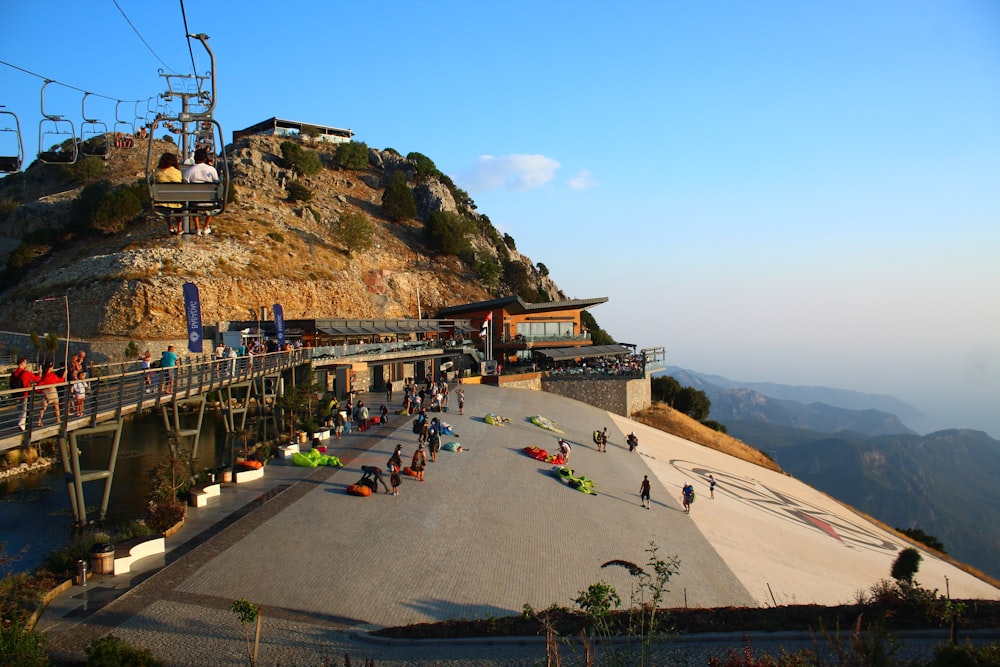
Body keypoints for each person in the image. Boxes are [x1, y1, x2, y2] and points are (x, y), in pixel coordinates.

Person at [183, 147, 219, 236]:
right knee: (212, 201)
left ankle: (197, 227)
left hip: (195, 202)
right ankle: (206, 226)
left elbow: (184, 184)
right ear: (205, 158)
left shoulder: (189, 171)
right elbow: (217, 183)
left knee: (193, 206)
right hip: (209, 201)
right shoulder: (212, 170)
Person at [154, 152, 183, 233]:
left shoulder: (157, 172)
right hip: (176, 202)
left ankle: (170, 225)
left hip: (161, 201)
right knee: (178, 207)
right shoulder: (177, 172)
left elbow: (151, 181)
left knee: (166, 207)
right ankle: (179, 227)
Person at [10, 357, 38, 431]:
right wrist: (40, 374)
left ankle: (20, 422)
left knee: (19, 409)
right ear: (22, 363)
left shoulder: (13, 374)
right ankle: (22, 424)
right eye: (25, 363)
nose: (26, 364)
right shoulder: (26, 373)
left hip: (15, 394)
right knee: (24, 410)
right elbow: (37, 379)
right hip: (24, 394)